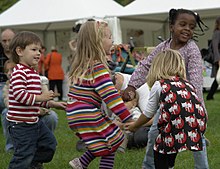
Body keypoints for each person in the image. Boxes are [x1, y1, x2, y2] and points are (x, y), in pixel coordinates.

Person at [123, 8, 209, 169]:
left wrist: (200, 111)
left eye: (191, 27)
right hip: (166, 105)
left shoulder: (192, 49)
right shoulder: (162, 47)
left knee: (199, 141)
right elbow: (145, 65)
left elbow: (196, 80)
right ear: (171, 26)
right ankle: (148, 166)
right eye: (182, 24)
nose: (187, 29)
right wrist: (131, 86)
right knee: (154, 135)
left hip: (187, 104)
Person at [66, 20, 132, 169]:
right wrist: (127, 117)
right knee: (114, 140)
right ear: (97, 41)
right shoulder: (98, 67)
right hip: (87, 112)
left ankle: (81, 163)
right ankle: (84, 162)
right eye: (109, 38)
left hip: (75, 113)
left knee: (105, 140)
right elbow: (111, 97)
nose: (113, 42)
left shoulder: (82, 66)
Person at [6, 31, 67, 169]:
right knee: (23, 155)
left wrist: (53, 103)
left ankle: (33, 163)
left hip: (34, 121)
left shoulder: (33, 72)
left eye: (39, 50)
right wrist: (41, 97)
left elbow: (36, 99)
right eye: (34, 49)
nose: (38, 53)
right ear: (20, 51)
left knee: (49, 144)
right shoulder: (18, 72)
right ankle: (26, 163)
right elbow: (20, 96)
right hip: (20, 125)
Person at [0, 29, 15, 114]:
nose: (7, 44)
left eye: (10, 40)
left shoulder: (21, 53)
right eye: (4, 41)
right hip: (2, 84)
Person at [206, 17, 220, 100]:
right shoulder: (217, 33)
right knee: (218, 78)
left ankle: (210, 95)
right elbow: (215, 47)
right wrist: (218, 59)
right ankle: (209, 95)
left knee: (217, 79)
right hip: (218, 58)